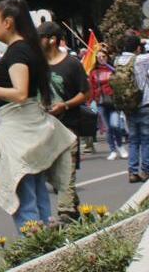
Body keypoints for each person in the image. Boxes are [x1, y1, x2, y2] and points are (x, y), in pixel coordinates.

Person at [0, 0, 74, 233]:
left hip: (18, 131)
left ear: (9, 22)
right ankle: (47, 248)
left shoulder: (18, 51)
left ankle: (34, 250)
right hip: (28, 129)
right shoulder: (25, 49)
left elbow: (20, 93)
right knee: (37, 192)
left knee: (25, 198)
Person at [38, 23, 90, 222]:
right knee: (52, 175)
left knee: (66, 171)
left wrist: (65, 105)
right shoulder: (38, 66)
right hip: (45, 129)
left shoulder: (71, 64)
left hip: (68, 127)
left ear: (52, 39)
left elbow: (85, 93)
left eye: (41, 37)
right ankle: (74, 207)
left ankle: (66, 212)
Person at [115, 34, 149, 183]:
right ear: (137, 47)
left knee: (133, 140)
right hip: (144, 104)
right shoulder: (139, 60)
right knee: (146, 140)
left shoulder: (117, 61)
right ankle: (146, 170)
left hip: (128, 106)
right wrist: (147, 40)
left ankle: (132, 171)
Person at [88, 51, 127, 161]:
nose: (101, 58)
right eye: (98, 56)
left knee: (115, 125)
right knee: (108, 128)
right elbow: (91, 87)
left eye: (103, 56)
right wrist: (90, 101)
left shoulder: (112, 69)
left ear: (107, 57)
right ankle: (112, 150)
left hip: (113, 101)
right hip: (101, 102)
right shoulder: (94, 72)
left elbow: (121, 82)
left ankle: (120, 146)